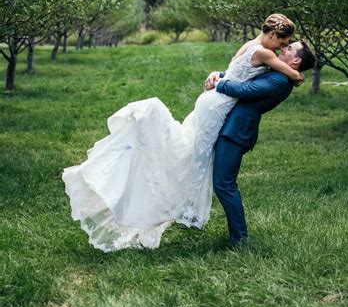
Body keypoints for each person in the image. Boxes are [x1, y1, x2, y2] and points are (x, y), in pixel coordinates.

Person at [63, 14, 306, 251]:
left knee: (199, 163)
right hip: (218, 111)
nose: (283, 48)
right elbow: (241, 82)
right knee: (192, 162)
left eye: (288, 48)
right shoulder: (270, 58)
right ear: (273, 34)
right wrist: (293, 75)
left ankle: (222, 231)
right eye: (284, 42)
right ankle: (178, 206)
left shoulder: (265, 62)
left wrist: (219, 78)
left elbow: (243, 81)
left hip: (222, 117)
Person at [205, 40, 315, 248]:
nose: (284, 48)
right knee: (222, 182)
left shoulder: (281, 81)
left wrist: (219, 84)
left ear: (297, 60)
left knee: (224, 184)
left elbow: (246, 89)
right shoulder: (278, 71)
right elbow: (244, 74)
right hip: (232, 127)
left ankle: (240, 240)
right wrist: (218, 74)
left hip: (236, 133)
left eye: (289, 48)